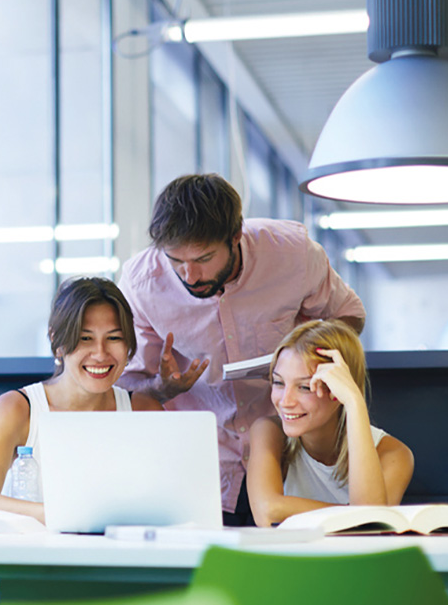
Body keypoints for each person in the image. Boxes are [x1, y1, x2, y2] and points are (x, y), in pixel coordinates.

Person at [117, 173, 365, 524]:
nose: (189, 275)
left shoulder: (292, 253)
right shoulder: (141, 283)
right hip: (200, 466)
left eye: (203, 258)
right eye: (175, 261)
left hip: (294, 454)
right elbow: (124, 386)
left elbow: (349, 317)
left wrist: (305, 358)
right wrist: (162, 388)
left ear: (236, 237)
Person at [0, 277, 163, 522]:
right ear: (58, 343)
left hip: (119, 557)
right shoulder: (16, 408)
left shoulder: (145, 411)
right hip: (38, 556)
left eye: (114, 338)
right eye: (85, 338)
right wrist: (57, 514)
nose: (100, 354)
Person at [246, 320, 413, 527]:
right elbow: (267, 512)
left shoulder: (394, 454)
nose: (285, 401)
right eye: (279, 382)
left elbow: (369, 528)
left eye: (305, 387)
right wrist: (355, 514)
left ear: (339, 389)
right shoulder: (269, 432)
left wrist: (354, 402)